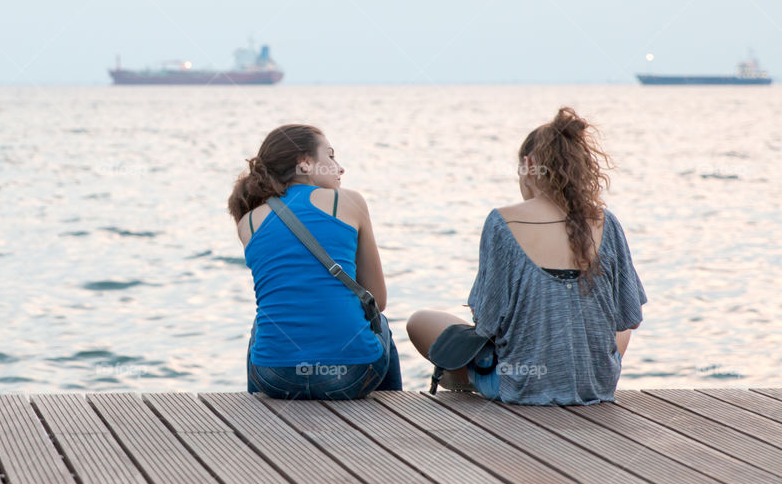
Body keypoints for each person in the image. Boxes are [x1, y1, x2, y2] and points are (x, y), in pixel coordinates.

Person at [407, 107, 647, 405]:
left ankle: (467, 379)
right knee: (618, 328)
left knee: (421, 320)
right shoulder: (606, 222)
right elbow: (630, 319)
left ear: (528, 164)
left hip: (523, 387)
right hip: (594, 387)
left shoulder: (501, 221)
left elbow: (487, 322)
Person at [228, 124, 402, 399]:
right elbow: (377, 300)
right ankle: (393, 410)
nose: (340, 167)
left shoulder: (248, 221)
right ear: (306, 163)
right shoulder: (349, 202)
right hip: (352, 375)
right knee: (378, 320)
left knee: (263, 324)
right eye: (330, 156)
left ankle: (257, 410)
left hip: (274, 379)